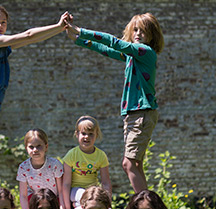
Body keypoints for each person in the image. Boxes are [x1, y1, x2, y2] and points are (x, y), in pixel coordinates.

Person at [0, 4, 72, 209]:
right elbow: (27, 35)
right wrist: (58, 25)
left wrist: (58, 29)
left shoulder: (3, 47)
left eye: (3, 22)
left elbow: (32, 39)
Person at [65, 13, 164, 194]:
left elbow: (113, 42)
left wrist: (81, 31)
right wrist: (78, 39)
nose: (138, 34)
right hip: (134, 114)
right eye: (135, 30)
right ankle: (146, 204)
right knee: (135, 164)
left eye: (144, 31)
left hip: (142, 112)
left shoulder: (145, 53)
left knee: (128, 164)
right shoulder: (132, 56)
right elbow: (107, 50)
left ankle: (144, 205)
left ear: (152, 35)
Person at [62, 115, 112, 209]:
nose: (86, 137)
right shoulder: (71, 155)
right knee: (83, 195)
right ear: (77, 134)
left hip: (93, 190)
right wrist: (67, 208)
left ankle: (79, 205)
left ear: (96, 135)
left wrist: (108, 205)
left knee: (94, 198)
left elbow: (105, 182)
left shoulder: (101, 156)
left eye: (91, 134)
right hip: (75, 190)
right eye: (83, 133)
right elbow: (66, 184)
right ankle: (77, 206)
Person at [16, 129, 64, 209]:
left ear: (46, 147)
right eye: (31, 147)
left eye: (39, 146)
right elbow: (23, 195)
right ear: (26, 148)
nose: (35, 150)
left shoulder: (55, 164)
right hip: (35, 200)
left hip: (54, 199)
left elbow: (61, 191)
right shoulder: (23, 167)